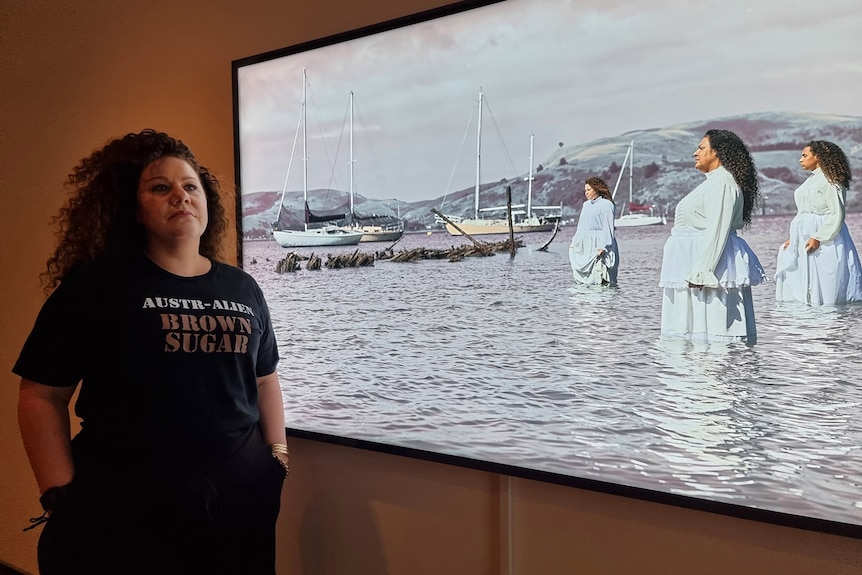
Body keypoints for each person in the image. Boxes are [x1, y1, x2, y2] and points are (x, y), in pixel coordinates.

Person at [14, 130, 288, 575]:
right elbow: (41, 396)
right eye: (161, 187)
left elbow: (263, 378)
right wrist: (59, 497)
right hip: (123, 510)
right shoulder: (96, 286)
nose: (180, 195)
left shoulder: (243, 287)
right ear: (135, 208)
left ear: (206, 202)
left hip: (240, 504)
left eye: (190, 186)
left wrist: (277, 459)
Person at [658, 129, 767, 343]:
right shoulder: (714, 182)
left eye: (701, 148)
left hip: (709, 265)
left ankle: (715, 370)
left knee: (714, 325)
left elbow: (718, 229)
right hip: (694, 261)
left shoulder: (723, 184)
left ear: (717, 152)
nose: (695, 153)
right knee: (693, 329)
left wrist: (703, 271)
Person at [775, 140, 862, 305]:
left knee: (826, 284)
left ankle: (830, 321)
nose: (800, 160)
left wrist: (820, 237)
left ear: (818, 157)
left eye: (804, 155)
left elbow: (837, 213)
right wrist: (794, 238)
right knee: (802, 284)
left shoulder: (831, 180)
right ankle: (808, 322)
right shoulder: (811, 180)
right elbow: (803, 212)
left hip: (825, 237)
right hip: (805, 238)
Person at [569, 176, 619, 285]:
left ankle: (605, 300)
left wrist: (603, 246)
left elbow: (608, 227)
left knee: (602, 274)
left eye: (588, 190)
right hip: (586, 245)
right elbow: (581, 227)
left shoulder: (606, 204)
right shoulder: (586, 205)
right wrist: (574, 242)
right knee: (587, 279)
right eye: (585, 190)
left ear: (596, 189)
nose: (586, 193)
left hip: (600, 243)